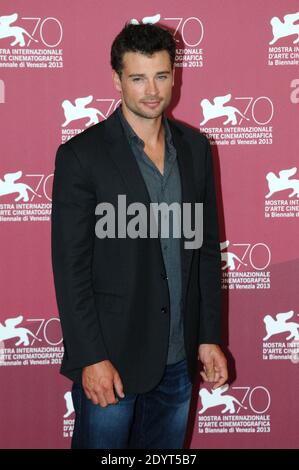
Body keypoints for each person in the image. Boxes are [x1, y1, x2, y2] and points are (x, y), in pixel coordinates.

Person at [51, 22, 228, 449]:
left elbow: (204, 252)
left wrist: (207, 338)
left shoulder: (195, 148)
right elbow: (70, 268)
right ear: (117, 80)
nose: (152, 90)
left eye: (162, 75)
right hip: (112, 359)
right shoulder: (81, 155)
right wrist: (91, 357)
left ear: (174, 74)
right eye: (138, 77)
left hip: (178, 358)